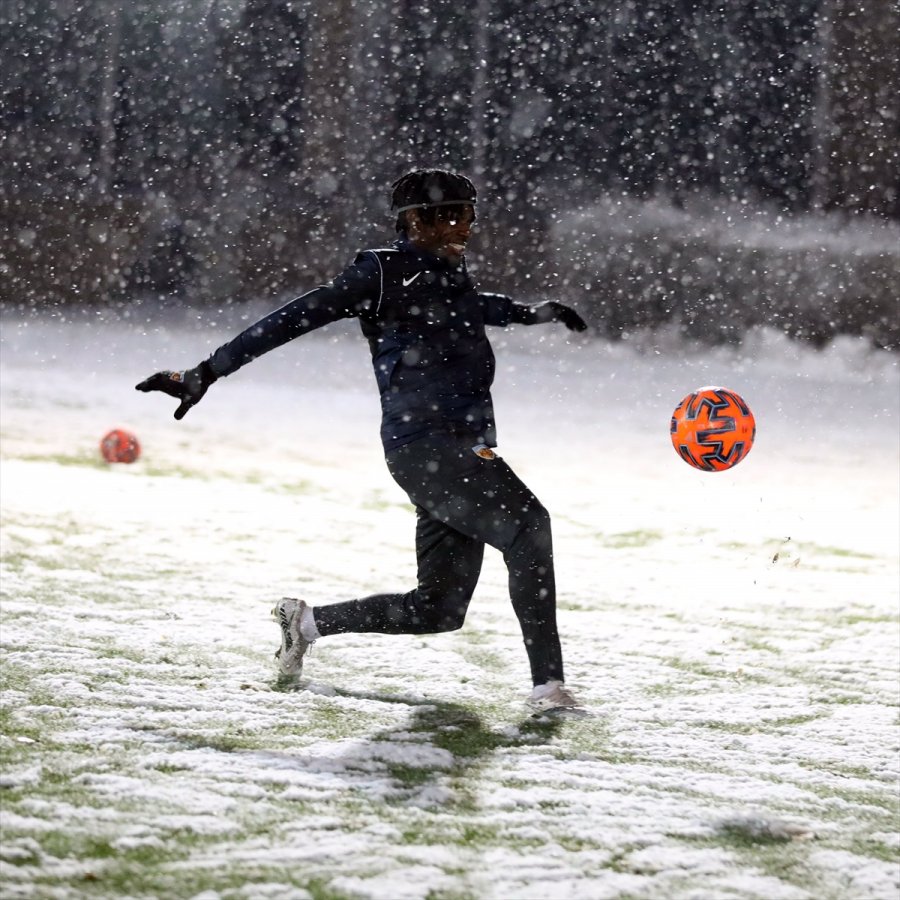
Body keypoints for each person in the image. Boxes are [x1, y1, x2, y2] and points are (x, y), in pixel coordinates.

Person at [136, 169, 588, 712]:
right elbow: (291, 319)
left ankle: (304, 623)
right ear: (412, 220)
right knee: (529, 526)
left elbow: (471, 307)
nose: (462, 226)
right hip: (426, 446)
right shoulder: (380, 272)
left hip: (458, 447)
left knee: (437, 611)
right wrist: (205, 372)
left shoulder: (450, 273)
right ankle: (549, 688)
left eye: (468, 214)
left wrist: (532, 313)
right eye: (448, 215)